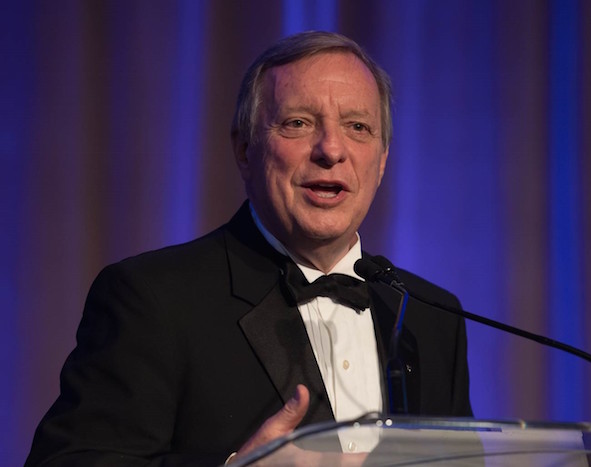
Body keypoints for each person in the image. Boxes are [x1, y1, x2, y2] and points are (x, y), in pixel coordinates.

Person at [25, 31, 472, 467]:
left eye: (358, 127)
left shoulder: (429, 316)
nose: (331, 149)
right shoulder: (152, 298)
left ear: (382, 160)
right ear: (244, 149)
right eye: (298, 123)